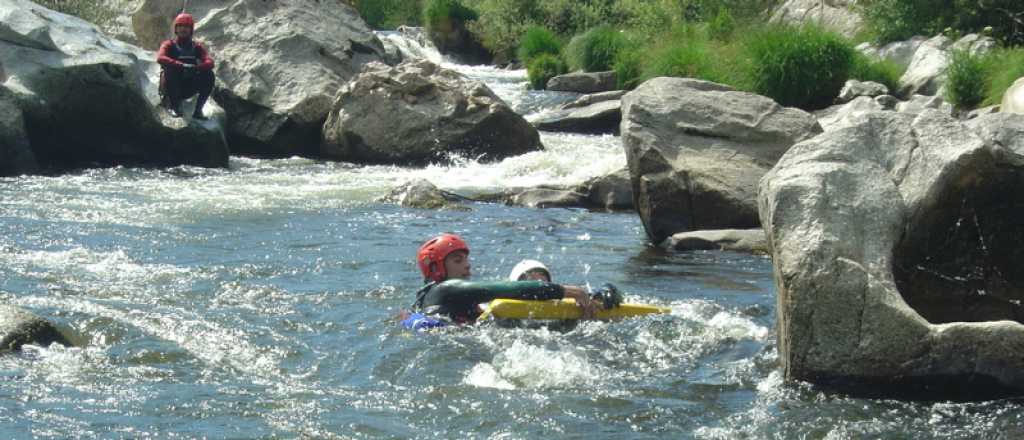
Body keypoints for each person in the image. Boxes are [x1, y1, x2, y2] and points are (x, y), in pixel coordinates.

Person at [409, 234, 599, 325]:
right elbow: (506, 289)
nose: (467, 265)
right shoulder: (445, 289)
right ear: (436, 269)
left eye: (466, 259)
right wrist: (570, 291)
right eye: (458, 261)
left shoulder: (432, 298)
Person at [156, 13, 215, 120]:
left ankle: (198, 111)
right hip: (170, 87)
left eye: (186, 27)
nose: (183, 29)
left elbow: (210, 62)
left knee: (209, 74)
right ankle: (173, 106)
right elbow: (160, 58)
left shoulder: (196, 47)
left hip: (187, 87)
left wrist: (196, 68)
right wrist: (182, 65)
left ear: (191, 30)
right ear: (176, 29)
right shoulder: (168, 44)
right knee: (170, 69)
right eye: (180, 26)